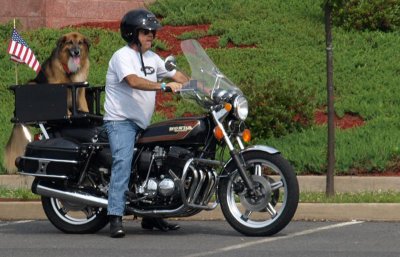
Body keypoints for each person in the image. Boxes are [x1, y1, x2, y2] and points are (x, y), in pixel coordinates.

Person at [103, 8, 188, 238]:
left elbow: (175, 75)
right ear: (132, 34)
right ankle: (115, 217)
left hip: (142, 123)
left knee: (157, 164)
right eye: (146, 31)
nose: (151, 35)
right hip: (120, 122)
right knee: (123, 160)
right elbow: (133, 81)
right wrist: (162, 87)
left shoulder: (153, 58)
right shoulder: (122, 56)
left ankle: (152, 217)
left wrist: (202, 88)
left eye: (153, 32)